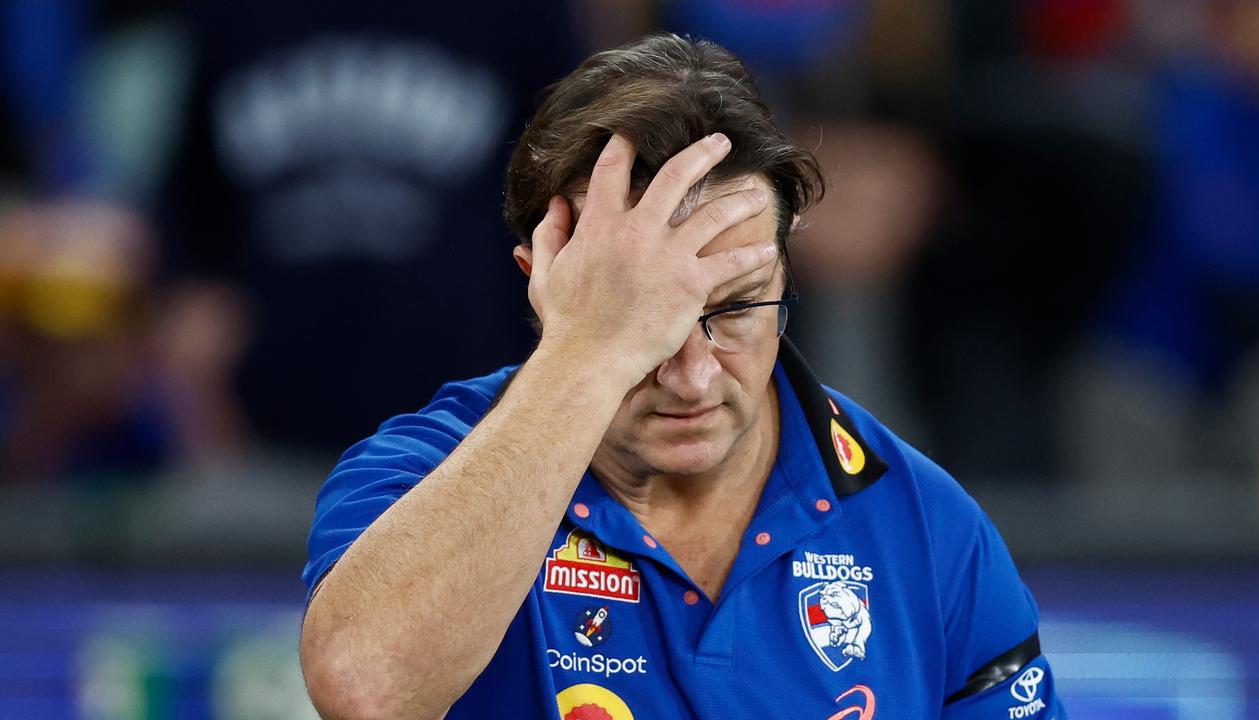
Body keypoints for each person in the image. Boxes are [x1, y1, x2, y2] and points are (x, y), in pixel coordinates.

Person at [299, 34, 1067, 720]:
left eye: (734, 309)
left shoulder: (925, 523)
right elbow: (368, 692)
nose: (693, 377)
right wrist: (591, 351)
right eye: (647, 326)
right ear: (543, 285)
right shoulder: (422, 471)